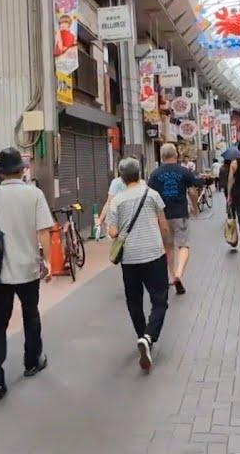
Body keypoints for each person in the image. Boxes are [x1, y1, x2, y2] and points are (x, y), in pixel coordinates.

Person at [0, 148, 54, 401]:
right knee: (31, 315)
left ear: (1, 173)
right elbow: (44, 230)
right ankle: (32, 361)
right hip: (28, 269)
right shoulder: (34, 194)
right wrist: (48, 261)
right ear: (22, 170)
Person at [107, 158, 171, 371]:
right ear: (140, 173)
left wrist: (115, 231)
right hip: (154, 253)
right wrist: (167, 249)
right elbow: (164, 227)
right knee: (159, 299)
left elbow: (113, 232)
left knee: (134, 300)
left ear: (121, 178)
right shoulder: (152, 194)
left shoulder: (117, 201)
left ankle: (141, 334)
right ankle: (149, 336)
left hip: (130, 259)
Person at [147, 143, 201, 294]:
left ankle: (171, 276)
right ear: (176, 154)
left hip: (162, 216)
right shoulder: (184, 171)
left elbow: (151, 196)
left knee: (168, 247)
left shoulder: (155, 174)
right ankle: (178, 273)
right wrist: (195, 208)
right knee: (183, 245)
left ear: (162, 156)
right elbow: (192, 191)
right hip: (180, 214)